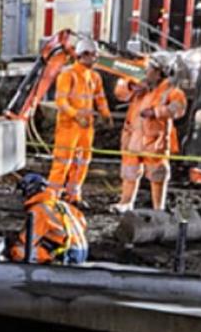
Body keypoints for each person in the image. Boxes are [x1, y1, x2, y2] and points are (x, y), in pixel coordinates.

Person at [110, 53, 186, 213]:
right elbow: (119, 92)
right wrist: (131, 87)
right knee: (129, 172)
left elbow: (178, 109)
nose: (146, 71)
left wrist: (156, 112)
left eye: (149, 69)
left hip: (154, 140)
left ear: (159, 72)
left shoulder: (171, 90)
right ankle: (125, 202)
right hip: (133, 138)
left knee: (158, 174)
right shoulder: (140, 85)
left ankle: (158, 208)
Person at [47, 35, 111, 205]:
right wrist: (76, 116)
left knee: (82, 162)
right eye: (93, 55)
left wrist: (105, 114)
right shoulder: (68, 75)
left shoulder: (94, 77)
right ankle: (52, 198)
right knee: (63, 162)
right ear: (83, 54)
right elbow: (61, 101)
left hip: (86, 128)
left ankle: (73, 195)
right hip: (68, 127)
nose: (95, 58)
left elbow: (100, 98)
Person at [9, 172, 89, 265]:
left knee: (18, 251)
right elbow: (83, 223)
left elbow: (28, 240)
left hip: (66, 254)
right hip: (82, 250)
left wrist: (13, 242)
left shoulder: (38, 210)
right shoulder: (61, 204)